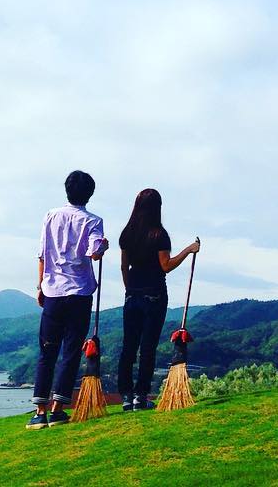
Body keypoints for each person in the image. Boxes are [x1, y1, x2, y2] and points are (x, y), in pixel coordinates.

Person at [27, 170, 108, 429]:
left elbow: (42, 254)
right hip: (80, 293)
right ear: (90, 194)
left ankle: (39, 412)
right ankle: (58, 409)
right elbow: (94, 253)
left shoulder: (51, 216)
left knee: (47, 351)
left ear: (66, 189)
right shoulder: (93, 221)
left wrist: (40, 286)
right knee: (71, 352)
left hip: (52, 291)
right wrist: (103, 246)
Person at [116, 188, 200, 412]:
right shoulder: (159, 234)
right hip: (154, 295)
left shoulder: (127, 233)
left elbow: (124, 265)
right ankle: (141, 396)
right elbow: (166, 266)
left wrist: (129, 288)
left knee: (129, 346)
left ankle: (125, 394)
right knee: (148, 347)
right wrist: (188, 250)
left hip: (132, 295)